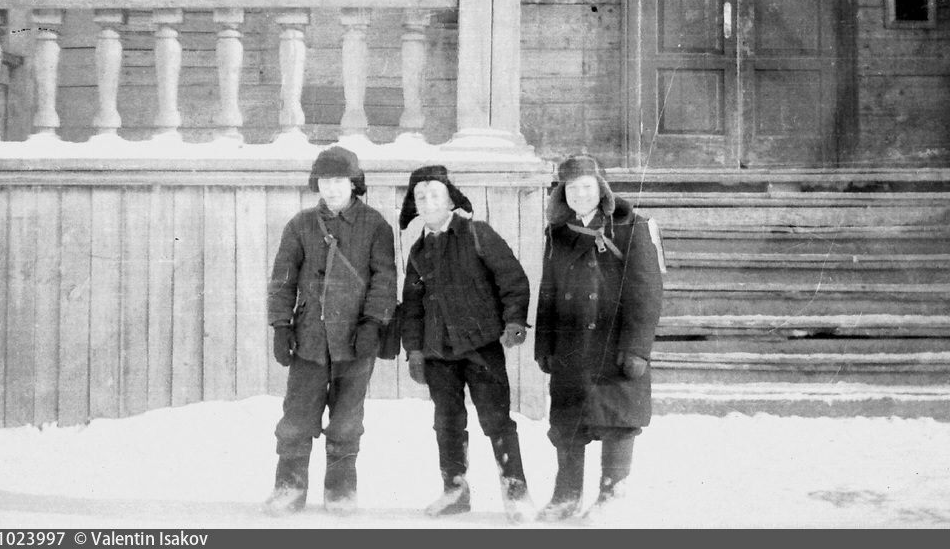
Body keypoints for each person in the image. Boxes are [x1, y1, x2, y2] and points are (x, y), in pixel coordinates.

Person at [264, 145, 397, 516]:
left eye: (340, 180)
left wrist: (373, 323)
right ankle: (289, 489)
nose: (333, 188)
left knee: (346, 420)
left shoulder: (376, 226)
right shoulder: (301, 225)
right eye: (325, 180)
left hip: (356, 343)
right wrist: (280, 325)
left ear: (354, 183)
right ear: (316, 183)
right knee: (296, 419)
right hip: (309, 340)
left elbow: (385, 280)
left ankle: (340, 490)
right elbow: (282, 279)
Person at [398, 164, 536, 522]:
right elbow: (411, 308)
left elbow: (513, 279)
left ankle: (516, 492)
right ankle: (454, 490)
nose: (428, 202)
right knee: (447, 421)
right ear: (414, 206)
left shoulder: (477, 234)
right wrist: (414, 351)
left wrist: (515, 321)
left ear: (450, 200)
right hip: (438, 352)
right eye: (421, 197)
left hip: (481, 347)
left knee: (496, 419)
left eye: (435, 196)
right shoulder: (417, 252)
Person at [534, 153, 664, 521]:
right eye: (571, 189)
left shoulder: (632, 227)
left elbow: (646, 293)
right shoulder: (558, 234)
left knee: (617, 419)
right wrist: (544, 345)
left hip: (613, 345)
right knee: (568, 423)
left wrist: (637, 349)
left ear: (602, 190)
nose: (579, 195)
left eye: (587, 187)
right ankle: (566, 495)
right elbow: (548, 292)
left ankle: (612, 494)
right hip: (572, 346)